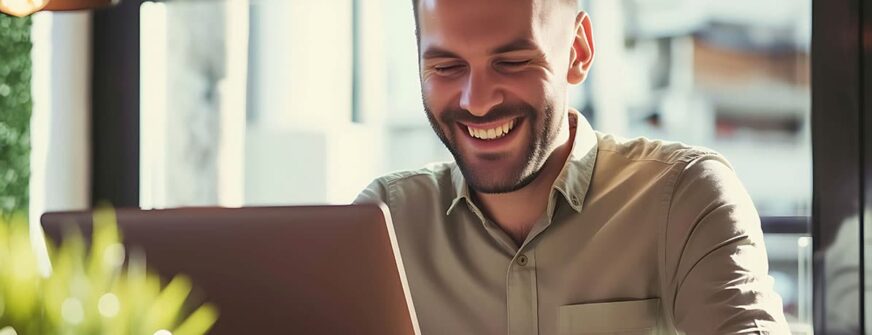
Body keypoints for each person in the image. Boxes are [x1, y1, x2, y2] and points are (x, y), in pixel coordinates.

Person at [355, 0, 790, 333]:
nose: (477, 100)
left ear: (578, 51)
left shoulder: (685, 199)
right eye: (446, 67)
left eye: (512, 62)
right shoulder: (383, 221)